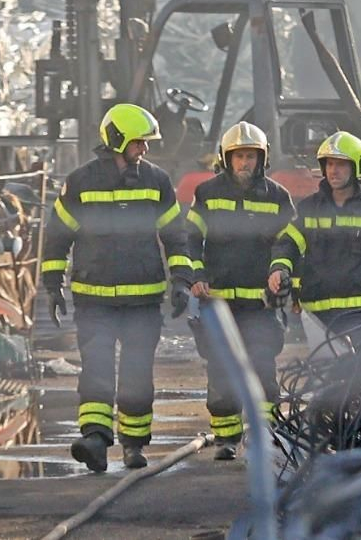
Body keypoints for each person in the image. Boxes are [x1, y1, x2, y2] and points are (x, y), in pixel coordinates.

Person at [42, 103, 190, 473]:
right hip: (94, 300)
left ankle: (134, 446)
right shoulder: (79, 183)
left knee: (137, 374)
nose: (144, 150)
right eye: (139, 143)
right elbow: (58, 237)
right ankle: (94, 438)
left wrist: (182, 280)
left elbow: (175, 236)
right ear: (118, 140)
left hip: (143, 299)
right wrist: (52, 284)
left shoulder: (157, 181)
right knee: (96, 369)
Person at [178, 121, 296, 460]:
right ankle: (227, 439)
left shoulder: (277, 197)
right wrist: (196, 274)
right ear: (226, 159)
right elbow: (191, 239)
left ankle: (265, 435)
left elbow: (289, 243)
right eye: (239, 156)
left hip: (261, 304)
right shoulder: (208, 194)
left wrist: (280, 270)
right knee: (221, 369)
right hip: (219, 302)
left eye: (250, 156)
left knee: (262, 369)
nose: (245, 163)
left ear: (262, 159)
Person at [269, 130, 361, 336]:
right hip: (317, 318)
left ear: (357, 167)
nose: (333, 171)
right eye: (329, 164)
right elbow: (287, 243)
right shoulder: (309, 209)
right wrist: (279, 268)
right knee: (321, 369)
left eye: (341, 164)